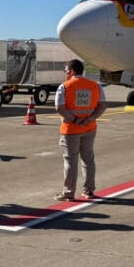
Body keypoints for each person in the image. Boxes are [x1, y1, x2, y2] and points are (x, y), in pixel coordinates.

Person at [54, 59, 108, 201]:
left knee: (71, 161)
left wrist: (75, 120)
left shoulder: (64, 86)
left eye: (66, 72)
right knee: (88, 160)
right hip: (89, 128)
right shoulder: (95, 86)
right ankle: (89, 191)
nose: (66, 74)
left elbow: (59, 107)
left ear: (72, 71)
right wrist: (90, 119)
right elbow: (102, 105)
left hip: (70, 130)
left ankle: (68, 193)